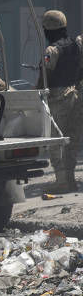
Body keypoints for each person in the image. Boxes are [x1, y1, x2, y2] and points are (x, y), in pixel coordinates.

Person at [36, 10, 83, 193]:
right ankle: (70, 180)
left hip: (58, 97)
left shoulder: (52, 50)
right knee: (72, 139)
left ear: (48, 29)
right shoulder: (76, 45)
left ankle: (62, 181)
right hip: (77, 95)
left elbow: (44, 76)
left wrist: (35, 95)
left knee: (56, 139)